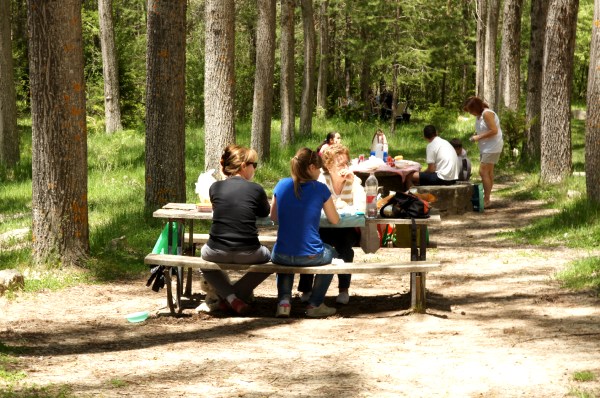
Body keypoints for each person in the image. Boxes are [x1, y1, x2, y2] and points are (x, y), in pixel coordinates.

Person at [199, 144, 272, 316]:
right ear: (243, 166)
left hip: (216, 250)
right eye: (253, 164)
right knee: (273, 260)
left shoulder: (215, 187)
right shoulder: (256, 189)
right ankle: (235, 297)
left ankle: (230, 298)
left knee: (204, 261)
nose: (255, 168)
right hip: (249, 251)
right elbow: (264, 212)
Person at [270, 147, 340, 318]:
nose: (320, 173)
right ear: (311, 168)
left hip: (281, 254)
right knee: (332, 252)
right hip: (310, 255)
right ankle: (315, 304)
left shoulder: (281, 185)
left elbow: (274, 216)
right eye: (319, 169)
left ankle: (284, 302)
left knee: (287, 255)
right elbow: (335, 220)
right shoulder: (320, 189)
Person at [297, 144, 366, 305]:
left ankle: (343, 289)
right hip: (323, 226)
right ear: (328, 166)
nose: (345, 167)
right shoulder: (321, 180)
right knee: (312, 246)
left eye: (346, 163)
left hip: (346, 227)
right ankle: (306, 289)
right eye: (340, 164)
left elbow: (362, 206)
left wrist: (354, 181)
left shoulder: (352, 180)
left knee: (345, 250)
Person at [462, 96, 504, 208]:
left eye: (470, 111)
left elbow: (494, 130)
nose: (470, 113)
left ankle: (486, 199)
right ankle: (487, 198)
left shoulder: (487, 113)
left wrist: (478, 137)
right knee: (488, 173)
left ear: (475, 107)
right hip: (487, 147)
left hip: (492, 147)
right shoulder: (480, 115)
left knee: (483, 172)